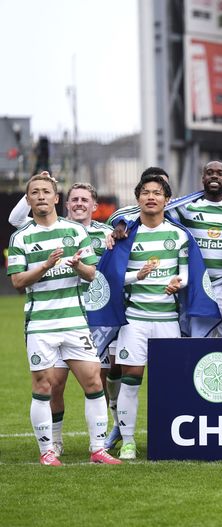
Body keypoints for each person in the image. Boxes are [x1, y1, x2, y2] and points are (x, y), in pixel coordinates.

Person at [7, 173, 120, 465]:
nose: (41, 196)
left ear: (57, 198)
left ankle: (97, 450)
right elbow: (18, 282)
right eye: (35, 193)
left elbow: (91, 274)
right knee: (44, 386)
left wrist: (78, 264)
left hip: (74, 321)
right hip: (41, 325)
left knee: (94, 381)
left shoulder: (76, 232)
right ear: (29, 200)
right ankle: (47, 451)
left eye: (46, 191)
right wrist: (46, 265)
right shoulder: (21, 237)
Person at [112, 173, 189, 460]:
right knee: (132, 377)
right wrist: (137, 275)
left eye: (157, 192)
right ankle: (128, 440)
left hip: (167, 319)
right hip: (135, 319)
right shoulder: (126, 233)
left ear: (167, 200)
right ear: (138, 199)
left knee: (169, 380)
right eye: (145, 192)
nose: (151, 197)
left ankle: (169, 438)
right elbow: (113, 276)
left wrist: (177, 283)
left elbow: (186, 274)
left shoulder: (178, 234)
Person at [47, 183, 115, 457]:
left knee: (101, 379)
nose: (78, 203)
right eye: (74, 199)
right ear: (66, 204)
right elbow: (15, 220)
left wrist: (119, 230)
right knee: (55, 383)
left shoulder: (107, 233)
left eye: (84, 199)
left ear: (94, 206)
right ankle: (55, 440)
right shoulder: (54, 229)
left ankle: (104, 437)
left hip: (100, 318)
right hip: (64, 314)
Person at [170, 161, 222, 338]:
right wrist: (121, 223)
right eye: (209, 172)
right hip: (202, 288)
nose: (214, 176)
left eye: (220, 173)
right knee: (199, 346)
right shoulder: (188, 208)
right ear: (203, 178)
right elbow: (153, 213)